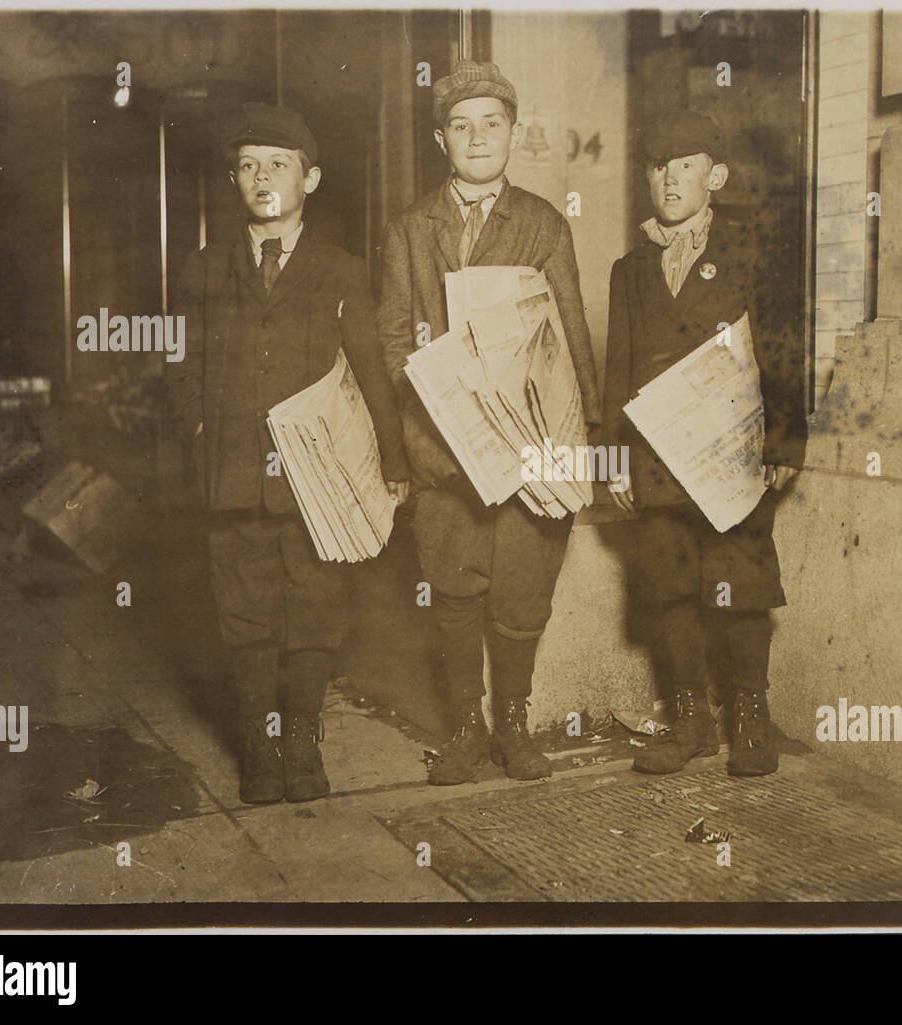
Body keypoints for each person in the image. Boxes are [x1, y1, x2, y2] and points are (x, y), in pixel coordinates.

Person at [169, 102, 409, 803]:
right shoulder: (206, 267)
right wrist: (200, 435)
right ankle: (258, 740)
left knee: (315, 606)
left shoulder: (340, 269)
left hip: (317, 482)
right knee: (244, 611)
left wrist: (393, 462)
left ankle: (302, 735)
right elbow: (183, 366)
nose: (261, 176)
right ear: (234, 180)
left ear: (312, 179)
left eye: (278, 164)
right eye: (247, 165)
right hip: (234, 473)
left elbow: (370, 369)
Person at [377, 62, 599, 785]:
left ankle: (514, 724)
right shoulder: (411, 230)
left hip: (530, 447)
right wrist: (420, 425)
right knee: (454, 587)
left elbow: (569, 333)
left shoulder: (540, 224)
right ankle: (466, 727)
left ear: (513, 133)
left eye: (492, 123)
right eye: (461, 126)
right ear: (442, 140)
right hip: (446, 451)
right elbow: (389, 340)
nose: (478, 138)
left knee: (522, 592)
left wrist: (579, 442)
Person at [602, 109, 807, 777]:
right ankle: (689, 716)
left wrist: (783, 442)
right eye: (658, 165)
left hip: (732, 452)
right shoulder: (629, 269)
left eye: (685, 164)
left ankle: (749, 714)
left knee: (738, 581)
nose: (669, 177)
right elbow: (619, 374)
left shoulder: (754, 250)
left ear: (714, 176)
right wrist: (615, 458)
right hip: (658, 458)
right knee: (669, 587)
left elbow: (783, 352)